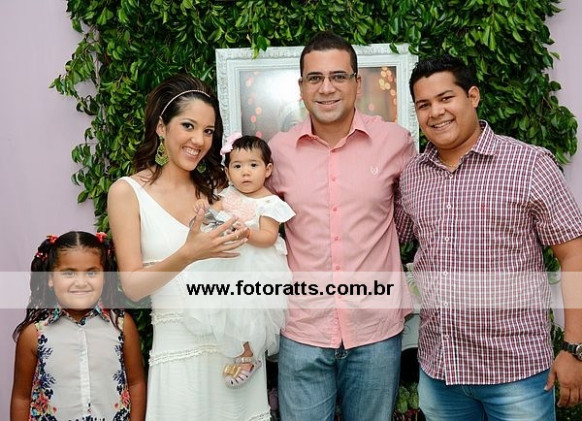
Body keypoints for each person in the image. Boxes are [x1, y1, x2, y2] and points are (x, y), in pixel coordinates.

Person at [396, 55, 582, 420]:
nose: (436, 112)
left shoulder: (529, 164)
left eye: (446, 98)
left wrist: (574, 347)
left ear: (473, 96)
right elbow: (393, 239)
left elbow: (574, 255)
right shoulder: (413, 175)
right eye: (424, 104)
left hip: (516, 374)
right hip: (441, 372)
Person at [267, 31, 417, 421]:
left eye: (338, 76)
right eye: (315, 78)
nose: (327, 88)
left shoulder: (396, 142)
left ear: (357, 83)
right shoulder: (278, 152)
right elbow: (261, 230)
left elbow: (409, 220)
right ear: (301, 87)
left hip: (376, 330)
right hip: (303, 329)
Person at [107, 74, 272, 420]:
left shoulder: (220, 193)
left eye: (208, 131)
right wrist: (189, 253)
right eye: (188, 126)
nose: (199, 140)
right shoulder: (127, 192)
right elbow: (133, 287)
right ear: (161, 127)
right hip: (179, 359)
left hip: (234, 361)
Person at [183, 134, 294, 387]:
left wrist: (248, 233)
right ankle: (226, 350)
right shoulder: (227, 195)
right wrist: (203, 213)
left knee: (250, 311)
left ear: (267, 169)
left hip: (256, 266)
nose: (245, 172)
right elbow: (213, 218)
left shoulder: (269, 202)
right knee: (226, 307)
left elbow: (269, 236)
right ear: (227, 171)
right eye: (237, 166)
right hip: (227, 260)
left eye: (253, 165)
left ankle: (248, 356)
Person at [10, 231, 146, 421]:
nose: (81, 283)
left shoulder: (121, 326)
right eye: (68, 273)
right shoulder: (34, 334)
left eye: (91, 272)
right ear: (50, 278)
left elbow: (136, 383)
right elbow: (21, 397)